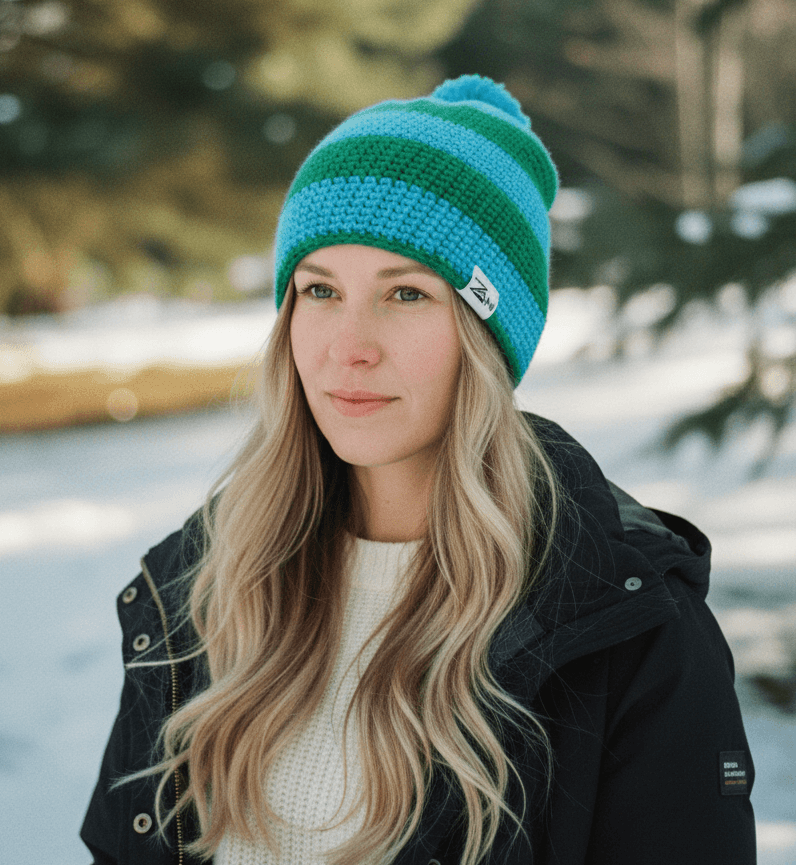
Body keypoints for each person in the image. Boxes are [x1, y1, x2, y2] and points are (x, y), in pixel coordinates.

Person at [81, 75, 756, 865]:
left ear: (486, 338)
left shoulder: (625, 628)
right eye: (320, 289)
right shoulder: (201, 587)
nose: (349, 344)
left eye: (405, 292)